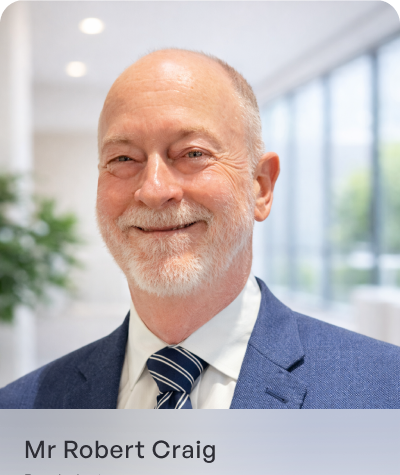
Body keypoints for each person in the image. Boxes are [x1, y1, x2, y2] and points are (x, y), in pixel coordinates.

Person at [1, 49, 399, 409]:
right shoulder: (21, 411)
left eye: (193, 153)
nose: (154, 190)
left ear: (261, 187)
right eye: (123, 158)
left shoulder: (383, 394)